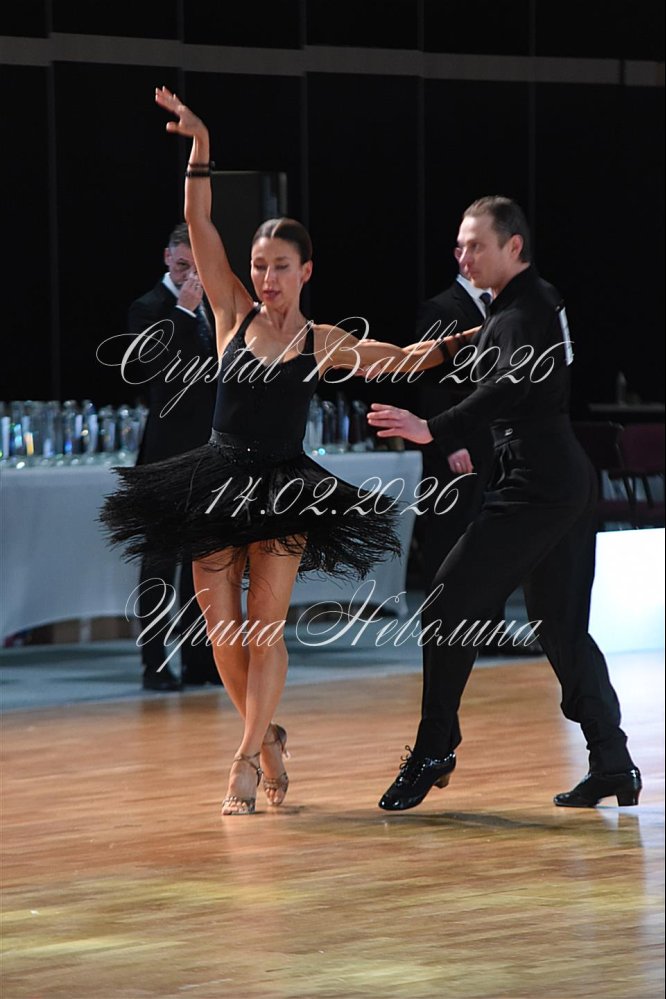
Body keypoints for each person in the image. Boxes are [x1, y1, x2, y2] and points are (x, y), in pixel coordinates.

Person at [101, 87, 474, 817]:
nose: (266, 277)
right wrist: (201, 145)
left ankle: (244, 760)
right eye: (258, 264)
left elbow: (402, 359)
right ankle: (268, 737)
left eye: (279, 266)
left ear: (306, 271)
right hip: (216, 479)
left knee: (264, 627)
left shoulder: (321, 340)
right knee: (221, 631)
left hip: (282, 489)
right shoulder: (230, 312)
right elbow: (198, 221)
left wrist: (470, 340)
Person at [368, 196, 641, 812]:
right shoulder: (532, 302)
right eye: (460, 245)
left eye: (476, 245)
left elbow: (505, 385)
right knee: (560, 627)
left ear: (514, 246)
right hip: (562, 479)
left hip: (536, 484)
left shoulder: (521, 312)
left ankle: (434, 748)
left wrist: (433, 428)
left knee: (446, 604)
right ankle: (613, 761)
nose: (463, 256)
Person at [129, 224, 219, 691]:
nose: (191, 277)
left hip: (206, 455)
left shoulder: (213, 310)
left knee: (203, 564)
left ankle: (200, 662)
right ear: (167, 258)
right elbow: (157, 375)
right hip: (164, 457)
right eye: (183, 266)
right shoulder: (148, 308)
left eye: (198, 268)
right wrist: (183, 312)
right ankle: (155, 665)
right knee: (160, 566)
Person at [413, 268, 494, 590]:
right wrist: (450, 442)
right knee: (449, 532)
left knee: (488, 540)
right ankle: (441, 613)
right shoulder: (441, 308)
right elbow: (429, 383)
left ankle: (486, 616)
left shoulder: (502, 306)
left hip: (494, 440)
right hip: (458, 443)